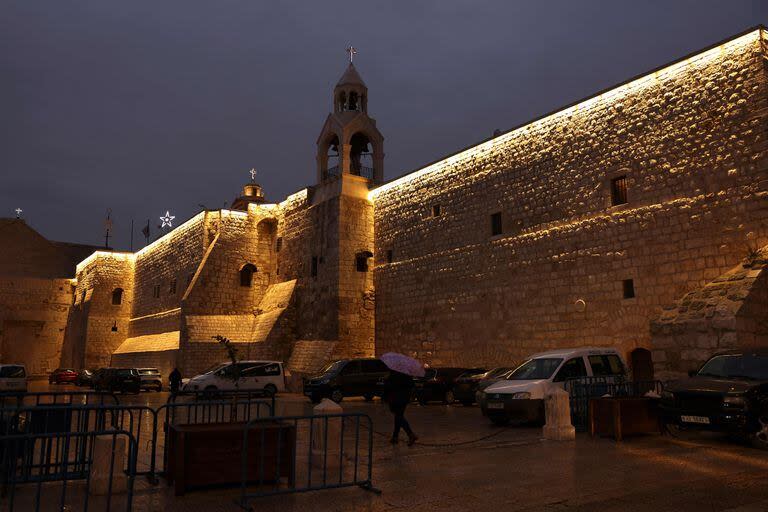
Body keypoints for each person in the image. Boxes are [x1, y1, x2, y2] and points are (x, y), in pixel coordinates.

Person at [384, 370, 418, 446]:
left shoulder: (393, 374)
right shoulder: (406, 373)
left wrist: (386, 379)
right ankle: (395, 436)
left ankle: (410, 434)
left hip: (395, 398)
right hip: (404, 398)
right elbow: (411, 385)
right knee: (398, 416)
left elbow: (388, 386)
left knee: (399, 416)